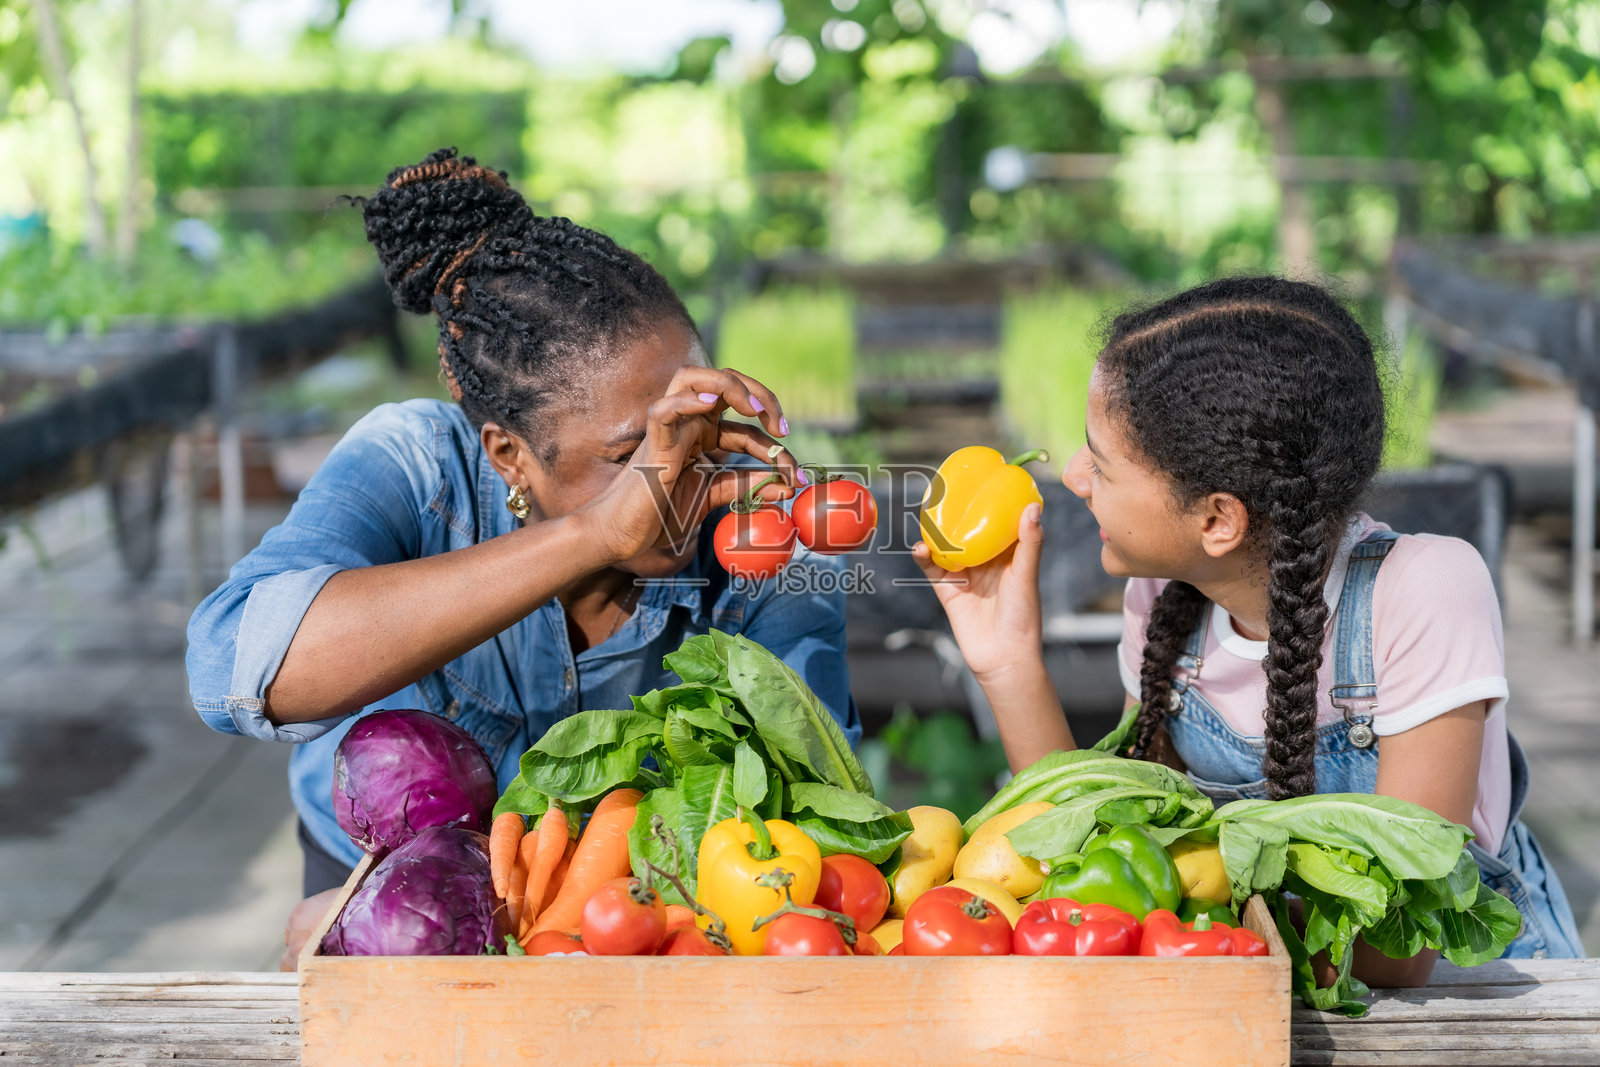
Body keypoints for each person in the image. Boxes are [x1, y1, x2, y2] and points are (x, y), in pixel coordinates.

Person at [185, 149, 860, 958]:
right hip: (382, 890)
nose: (677, 471)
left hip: (622, 916)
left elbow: (818, 818)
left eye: (694, 427)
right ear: (508, 454)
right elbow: (231, 669)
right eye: (627, 455)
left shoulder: (757, 532)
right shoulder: (420, 463)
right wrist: (595, 535)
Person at [915, 276, 1584, 981]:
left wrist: (1188, 918)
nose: (1075, 476)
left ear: (1217, 520)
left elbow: (1398, 943)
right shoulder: (1163, 598)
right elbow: (1115, 843)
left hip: (1478, 1001)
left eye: (1101, 462)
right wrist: (1008, 660)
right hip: (1261, 985)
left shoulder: (1424, 589)